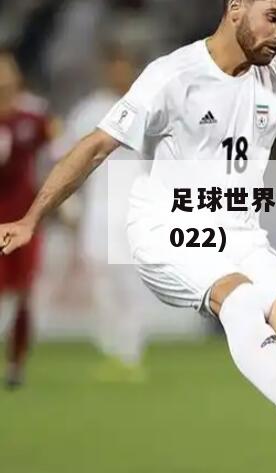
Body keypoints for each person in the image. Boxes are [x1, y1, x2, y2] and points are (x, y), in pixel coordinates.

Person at [0, 0, 276, 471]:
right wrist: (32, 218)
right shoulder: (173, 76)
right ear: (235, 9)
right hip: (167, 232)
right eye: (273, 17)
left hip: (240, 234)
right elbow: (96, 146)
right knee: (240, 298)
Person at [60, 45, 149, 381]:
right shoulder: (89, 111)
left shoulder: (149, 108)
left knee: (130, 283)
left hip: (136, 209)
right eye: (114, 67)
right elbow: (68, 157)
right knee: (101, 283)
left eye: (125, 67)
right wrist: (68, 203)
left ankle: (130, 354)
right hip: (98, 209)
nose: (119, 73)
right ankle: (111, 349)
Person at [0, 48, 54, 389]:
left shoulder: (33, 118)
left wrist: (58, 204)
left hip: (23, 223)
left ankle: (16, 364)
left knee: (22, 294)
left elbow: (55, 157)